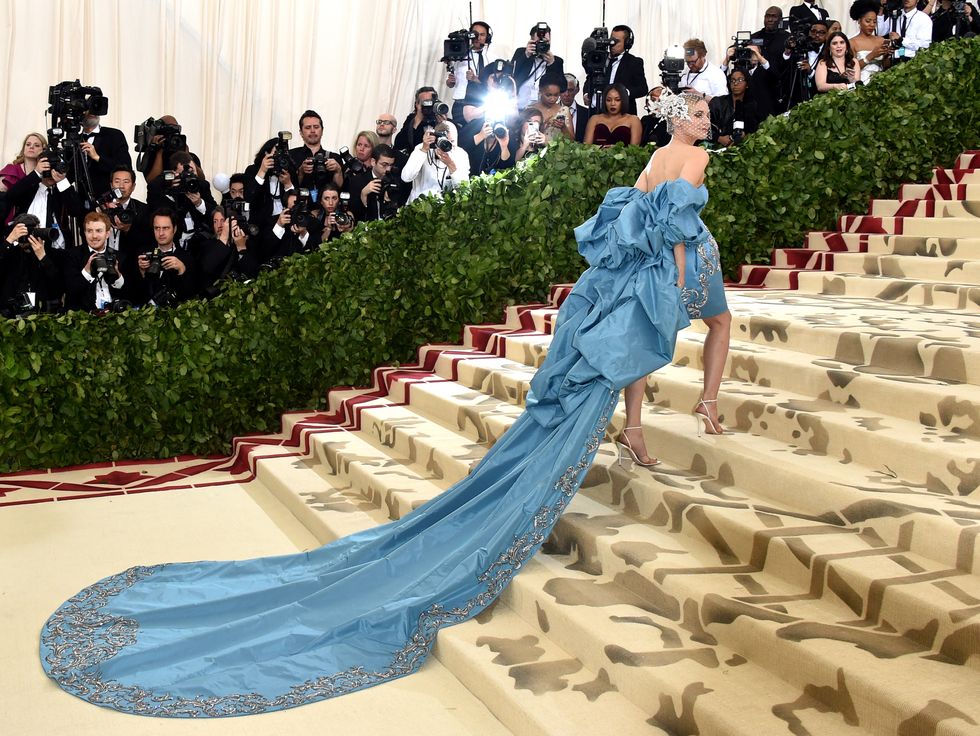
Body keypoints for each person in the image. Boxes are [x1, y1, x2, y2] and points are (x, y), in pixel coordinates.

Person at [39, 89, 724, 718]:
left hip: (608, 284)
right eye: (697, 113)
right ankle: (623, 435)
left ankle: (625, 428)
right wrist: (682, 288)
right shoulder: (689, 159)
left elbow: (627, 219)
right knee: (629, 355)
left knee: (598, 371)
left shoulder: (658, 155)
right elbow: (676, 232)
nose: (704, 123)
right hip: (641, 281)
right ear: (679, 119)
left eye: (704, 116)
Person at [64, 212, 126, 312]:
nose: (94, 236)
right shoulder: (72, 256)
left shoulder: (119, 257)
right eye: (89, 231)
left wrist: (117, 275)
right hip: (84, 317)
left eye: (99, 231)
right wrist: (86, 272)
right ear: (84, 233)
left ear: (107, 234)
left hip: (115, 315)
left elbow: (129, 293)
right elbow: (71, 291)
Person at [401, 122, 471, 204]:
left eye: (452, 141)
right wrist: (423, 151)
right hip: (418, 206)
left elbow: (463, 190)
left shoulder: (461, 154)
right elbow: (406, 177)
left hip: (445, 210)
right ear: (435, 138)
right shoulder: (422, 148)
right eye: (444, 141)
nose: (448, 146)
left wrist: (451, 165)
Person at [446, 21, 493, 121]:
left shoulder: (492, 58)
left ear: (487, 37)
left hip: (483, 103)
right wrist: (450, 82)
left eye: (482, 35)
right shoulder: (459, 54)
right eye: (475, 34)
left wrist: (475, 79)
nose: (478, 38)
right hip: (460, 103)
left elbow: (494, 85)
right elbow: (451, 84)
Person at [511, 22, 565, 110]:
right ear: (531, 40)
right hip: (519, 108)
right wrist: (526, 56)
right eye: (538, 42)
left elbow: (562, 87)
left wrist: (552, 64)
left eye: (546, 42)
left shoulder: (557, 61)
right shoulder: (521, 53)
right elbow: (511, 75)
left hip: (544, 110)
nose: (542, 44)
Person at [289, 110, 344, 191]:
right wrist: (301, 172)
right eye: (308, 127)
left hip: (327, 203)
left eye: (316, 127)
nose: (312, 131)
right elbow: (288, 189)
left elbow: (338, 189)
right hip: (298, 202)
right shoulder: (291, 156)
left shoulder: (334, 158)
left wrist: (338, 171)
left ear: (322, 130)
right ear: (301, 132)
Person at [708, 69, 765, 145]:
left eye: (740, 80)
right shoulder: (717, 103)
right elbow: (703, 127)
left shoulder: (753, 105)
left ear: (747, 84)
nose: (735, 83)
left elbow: (757, 129)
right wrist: (719, 138)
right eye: (733, 80)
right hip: (716, 146)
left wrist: (746, 136)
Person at [1, 133, 47, 223]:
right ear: (24, 148)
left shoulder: (47, 173)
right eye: (28, 144)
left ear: (43, 150)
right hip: (13, 223)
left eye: (36, 145)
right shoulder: (11, 169)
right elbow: (4, 199)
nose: (31, 147)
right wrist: (36, 173)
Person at [850, 0, 891, 84]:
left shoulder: (881, 40)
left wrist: (887, 55)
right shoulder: (852, 42)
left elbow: (886, 66)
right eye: (868, 21)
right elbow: (851, 70)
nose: (872, 25)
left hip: (880, 82)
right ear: (859, 21)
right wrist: (871, 56)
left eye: (874, 22)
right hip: (861, 83)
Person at [526, 74, 573, 142]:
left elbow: (571, 141)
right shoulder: (530, 109)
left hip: (557, 152)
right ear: (540, 91)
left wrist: (563, 128)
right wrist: (543, 127)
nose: (552, 99)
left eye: (556, 95)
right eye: (548, 95)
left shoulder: (564, 111)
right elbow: (523, 136)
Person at [560, 74, 591, 142]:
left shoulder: (587, 114)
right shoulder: (552, 111)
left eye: (570, 90)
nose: (566, 94)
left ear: (577, 90)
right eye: (563, 90)